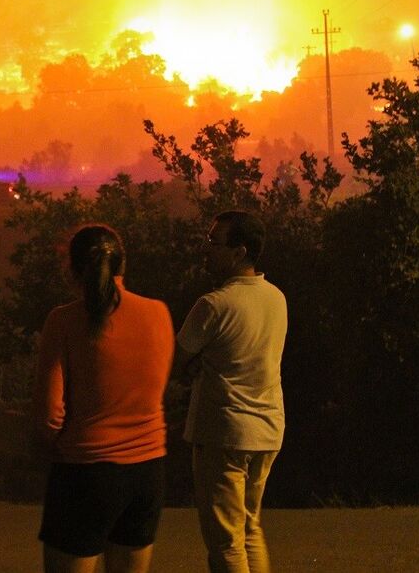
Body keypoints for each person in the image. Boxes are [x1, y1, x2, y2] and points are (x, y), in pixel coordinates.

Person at [33, 224, 174, 573]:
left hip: (86, 471)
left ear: (73, 269)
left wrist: (49, 445)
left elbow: (50, 413)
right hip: (147, 472)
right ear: (122, 265)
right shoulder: (159, 313)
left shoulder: (62, 320)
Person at [173, 211, 287, 573]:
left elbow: (176, 360)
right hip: (267, 428)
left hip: (223, 432)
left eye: (214, 242)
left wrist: (195, 367)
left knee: (225, 542)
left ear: (238, 253)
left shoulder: (213, 304)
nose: (206, 250)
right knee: (250, 527)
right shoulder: (276, 298)